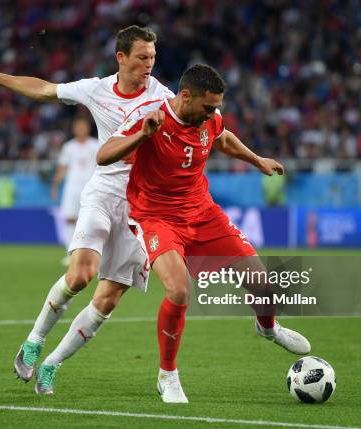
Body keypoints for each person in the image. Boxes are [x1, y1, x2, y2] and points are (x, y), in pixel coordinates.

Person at [0, 25, 175, 395]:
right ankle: (33, 342)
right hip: (103, 192)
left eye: (153, 58)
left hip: (142, 208)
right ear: (121, 57)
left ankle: (52, 364)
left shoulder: (162, 97)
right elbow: (44, 89)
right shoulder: (96, 89)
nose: (149, 65)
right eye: (142, 57)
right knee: (80, 276)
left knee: (107, 300)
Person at [98, 64, 311, 403]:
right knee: (179, 290)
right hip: (157, 218)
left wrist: (258, 160)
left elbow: (222, 138)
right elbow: (103, 155)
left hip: (202, 213)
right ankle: (167, 375)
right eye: (208, 107)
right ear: (185, 96)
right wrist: (142, 136)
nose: (213, 113)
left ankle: (268, 328)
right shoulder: (150, 116)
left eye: (216, 107)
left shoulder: (209, 119)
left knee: (264, 284)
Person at [51, 118, 100, 264]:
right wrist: (54, 186)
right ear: (74, 129)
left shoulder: (95, 145)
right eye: (78, 126)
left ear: (88, 128)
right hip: (72, 187)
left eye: (83, 126)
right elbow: (62, 168)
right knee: (71, 219)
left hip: (91, 187)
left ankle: (93, 254)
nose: (81, 129)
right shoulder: (69, 147)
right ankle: (71, 254)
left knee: (93, 220)